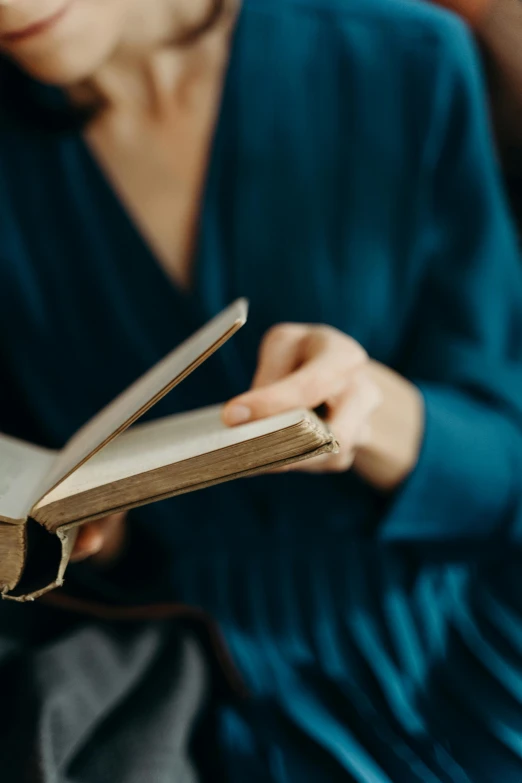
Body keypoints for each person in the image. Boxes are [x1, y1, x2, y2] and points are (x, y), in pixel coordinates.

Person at [1, 0, 522, 781]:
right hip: (187, 685)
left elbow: (504, 467)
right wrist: (80, 534)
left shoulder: (403, 58)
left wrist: (371, 409)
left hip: (449, 645)